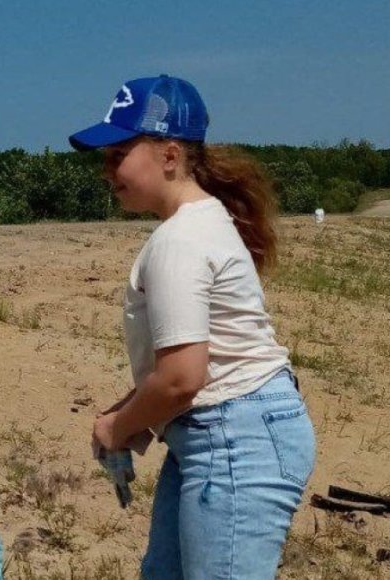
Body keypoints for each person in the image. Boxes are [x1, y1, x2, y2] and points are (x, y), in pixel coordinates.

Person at [72, 75, 316, 579]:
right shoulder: (201, 223)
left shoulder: (179, 240)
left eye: (118, 154)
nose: (106, 170)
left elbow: (182, 378)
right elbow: (197, 360)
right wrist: (131, 410)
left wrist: (117, 427)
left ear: (169, 155)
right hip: (221, 432)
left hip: (233, 439)